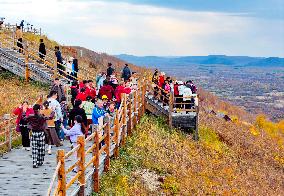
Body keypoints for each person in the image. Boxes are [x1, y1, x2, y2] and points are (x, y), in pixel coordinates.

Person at [25, 104, 54, 168]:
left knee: (34, 149)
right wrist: (53, 111)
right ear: (38, 109)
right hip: (41, 133)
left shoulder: (30, 116)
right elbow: (50, 117)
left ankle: (35, 162)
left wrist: (24, 112)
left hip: (34, 133)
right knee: (41, 148)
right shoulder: (42, 117)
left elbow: (24, 118)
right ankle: (40, 161)